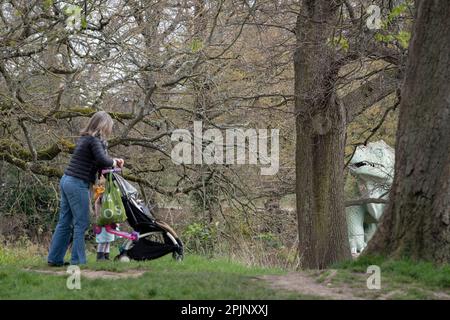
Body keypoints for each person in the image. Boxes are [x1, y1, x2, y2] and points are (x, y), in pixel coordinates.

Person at [47, 111, 124, 266]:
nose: (109, 131)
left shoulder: (85, 139)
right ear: (103, 125)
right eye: (109, 127)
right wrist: (116, 162)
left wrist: (110, 162)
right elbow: (103, 159)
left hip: (67, 180)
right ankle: (78, 261)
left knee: (65, 221)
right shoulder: (94, 140)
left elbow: (99, 163)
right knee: (81, 222)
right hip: (77, 183)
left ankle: (54, 259)